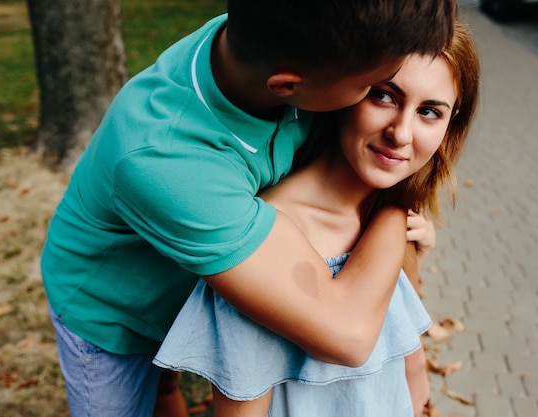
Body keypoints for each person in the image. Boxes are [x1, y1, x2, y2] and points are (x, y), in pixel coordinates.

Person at [40, 1, 458, 415]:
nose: (395, 124)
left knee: (167, 386)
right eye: (376, 86)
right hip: (117, 312)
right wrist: (394, 209)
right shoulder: (164, 159)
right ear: (288, 86)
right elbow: (346, 335)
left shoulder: (285, 36)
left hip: (197, 261)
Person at [154, 20, 480, 417]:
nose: (401, 133)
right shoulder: (266, 243)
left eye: (429, 111)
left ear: (451, 122)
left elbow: (404, 356)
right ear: (349, 88)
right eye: (384, 96)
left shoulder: (389, 213)